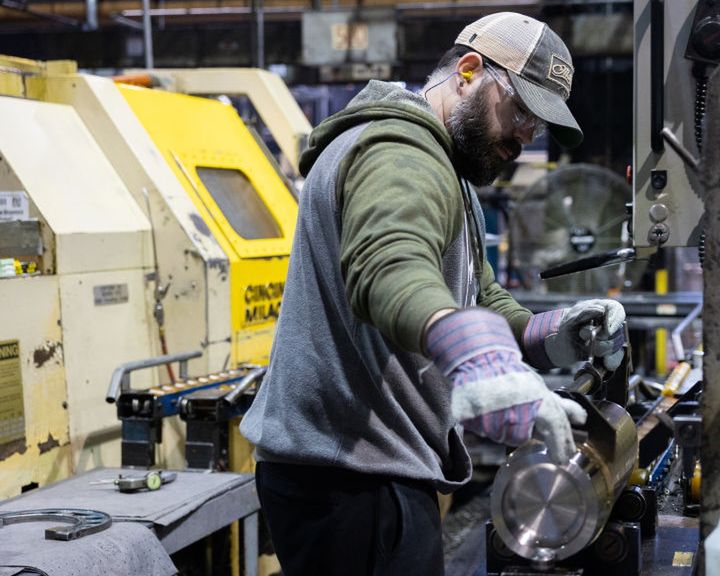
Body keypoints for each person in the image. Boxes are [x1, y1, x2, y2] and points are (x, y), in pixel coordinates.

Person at [239, 12, 626, 576]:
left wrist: (551, 334)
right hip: (348, 478)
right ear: (469, 71)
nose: (524, 135)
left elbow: (476, 292)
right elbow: (390, 266)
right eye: (519, 109)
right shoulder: (399, 152)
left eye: (536, 125)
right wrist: (475, 353)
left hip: (374, 467)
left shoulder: (450, 170)